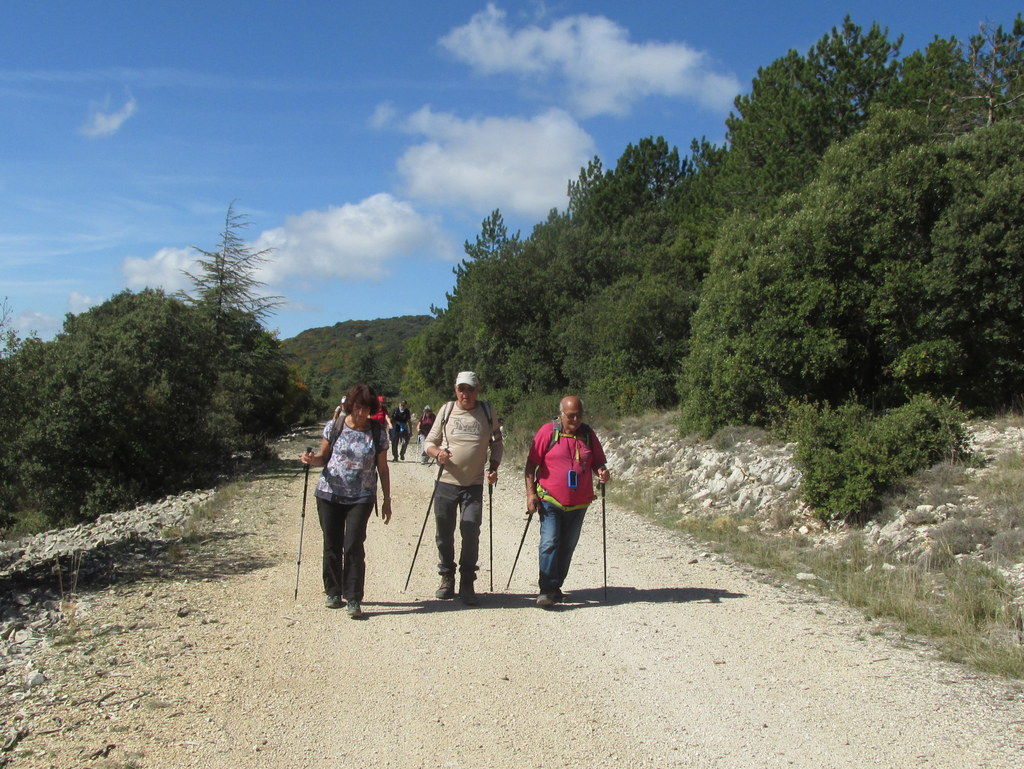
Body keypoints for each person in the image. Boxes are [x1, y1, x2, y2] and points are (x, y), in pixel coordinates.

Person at [300, 383, 392, 619]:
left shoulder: (378, 431)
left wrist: (386, 499)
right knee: (331, 543)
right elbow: (323, 458)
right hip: (329, 493)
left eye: (367, 409)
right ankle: (333, 592)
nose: (362, 413)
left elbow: (382, 468)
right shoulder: (335, 426)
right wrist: (311, 460)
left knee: (353, 544)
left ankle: (353, 597)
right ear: (351, 405)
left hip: (361, 496)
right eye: (358, 407)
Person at [423, 371, 503, 605]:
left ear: (478, 389)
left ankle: (467, 581)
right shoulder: (447, 410)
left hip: (474, 484)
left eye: (470, 389)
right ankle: (447, 576)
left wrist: (494, 466)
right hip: (446, 483)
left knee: (470, 531)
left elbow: (497, 443)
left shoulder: (487, 411)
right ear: (455, 389)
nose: (465, 393)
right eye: (461, 389)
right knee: (444, 533)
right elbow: (429, 441)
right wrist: (437, 453)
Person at [524, 396, 610, 607]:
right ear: (561, 414)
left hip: (579, 503)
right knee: (550, 542)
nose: (575, 420)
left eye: (579, 415)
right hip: (550, 499)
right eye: (571, 416)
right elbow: (530, 466)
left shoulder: (588, 434)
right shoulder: (548, 432)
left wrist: (602, 472)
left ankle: (555, 585)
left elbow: (598, 462)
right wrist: (530, 495)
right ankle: (546, 589)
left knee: (568, 546)